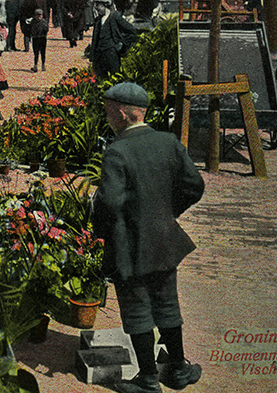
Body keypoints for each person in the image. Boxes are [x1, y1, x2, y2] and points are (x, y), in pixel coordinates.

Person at [92, 82, 204, 393]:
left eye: (108, 110)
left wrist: (98, 227)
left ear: (122, 112)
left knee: (138, 308)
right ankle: (180, 370)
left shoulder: (117, 152)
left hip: (130, 245)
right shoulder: (168, 142)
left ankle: (148, 379)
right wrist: (167, 212)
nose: (107, 116)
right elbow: (195, 186)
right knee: (167, 303)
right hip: (165, 240)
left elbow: (110, 202)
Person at [91, 0, 137, 78]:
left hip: (111, 53)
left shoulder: (115, 17)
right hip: (99, 54)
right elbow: (95, 39)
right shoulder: (98, 20)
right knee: (100, 77)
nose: (97, 9)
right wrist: (92, 54)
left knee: (114, 76)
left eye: (99, 6)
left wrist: (122, 44)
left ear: (105, 5)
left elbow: (131, 30)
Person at [29, 8, 49, 73]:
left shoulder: (36, 22)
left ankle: (42, 65)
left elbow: (46, 29)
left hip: (40, 38)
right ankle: (37, 65)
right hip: (38, 38)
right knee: (37, 53)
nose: (39, 17)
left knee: (42, 53)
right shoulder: (42, 21)